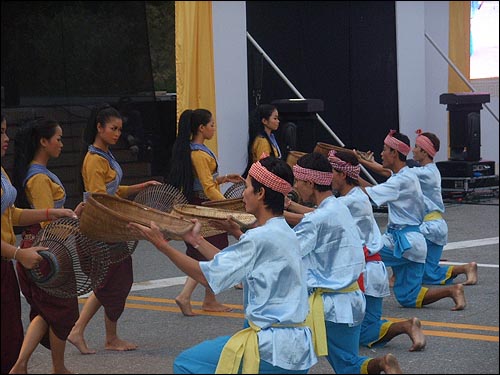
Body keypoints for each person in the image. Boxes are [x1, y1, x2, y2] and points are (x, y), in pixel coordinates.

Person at [128, 156, 318, 374]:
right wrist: (196, 240)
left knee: (187, 363)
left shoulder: (260, 237)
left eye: (246, 187)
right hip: (295, 347)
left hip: (270, 348)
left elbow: (205, 276)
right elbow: (227, 266)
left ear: (261, 193)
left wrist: (162, 245)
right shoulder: (284, 232)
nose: (243, 193)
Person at [289, 152, 402, 373]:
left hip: (331, 306)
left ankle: (382, 363)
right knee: (347, 362)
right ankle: (380, 363)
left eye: (297, 181)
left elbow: (287, 253)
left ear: (310, 183)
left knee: (289, 357)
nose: (296, 186)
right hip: (351, 298)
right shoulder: (339, 207)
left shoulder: (321, 216)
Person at [68, 104, 160, 354]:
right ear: (99, 128)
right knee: (115, 281)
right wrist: (128, 218)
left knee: (112, 281)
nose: (118, 133)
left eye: (120, 129)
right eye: (113, 128)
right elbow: (99, 200)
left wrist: (139, 187)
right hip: (102, 228)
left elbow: (113, 191)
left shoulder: (104, 155)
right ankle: (100, 335)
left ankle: (86, 331)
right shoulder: (94, 159)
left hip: (107, 225)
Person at [1, 114, 77, 374]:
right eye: (0, 133)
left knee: (17, 328)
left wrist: (52, 213)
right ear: (44, 142)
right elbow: (45, 230)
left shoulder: (2, 171)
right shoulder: (38, 178)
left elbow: (12, 214)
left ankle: (24, 365)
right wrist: (18, 253)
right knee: (54, 309)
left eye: (5, 131)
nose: (5, 138)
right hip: (34, 250)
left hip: (13, 259)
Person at [329, 149, 426, 352]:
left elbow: (318, 215)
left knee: (355, 331)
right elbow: (373, 186)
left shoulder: (352, 200)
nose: (328, 177)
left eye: (331, 172)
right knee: (408, 296)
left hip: (400, 243)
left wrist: (284, 206)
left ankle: (404, 326)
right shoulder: (401, 176)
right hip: (392, 252)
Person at [359, 130, 466, 311]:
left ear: (394, 152)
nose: (381, 153)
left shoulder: (414, 176)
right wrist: (356, 171)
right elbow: (378, 188)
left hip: (409, 238)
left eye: (385, 149)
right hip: (413, 241)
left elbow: (369, 192)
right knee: (410, 297)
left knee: (360, 255)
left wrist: (348, 172)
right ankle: (452, 290)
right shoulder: (406, 176)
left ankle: (360, 305)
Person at [166, 108, 243, 316]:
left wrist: (224, 179)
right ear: (201, 128)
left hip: (202, 203)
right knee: (212, 251)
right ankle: (198, 298)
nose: (214, 129)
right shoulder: (198, 153)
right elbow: (207, 188)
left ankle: (201, 297)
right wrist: (228, 207)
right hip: (205, 206)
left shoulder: (197, 150)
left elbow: (205, 182)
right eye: (212, 125)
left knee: (207, 251)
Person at [411, 130, 477, 285]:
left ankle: (396, 278)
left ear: (424, 151)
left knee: (400, 244)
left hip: (429, 228)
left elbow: (395, 172)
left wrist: (364, 162)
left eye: (416, 147)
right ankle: (466, 268)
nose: (413, 150)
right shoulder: (430, 170)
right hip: (436, 227)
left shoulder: (425, 172)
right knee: (429, 273)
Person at [243, 104, 282, 177]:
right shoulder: (262, 141)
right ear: (264, 121)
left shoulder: (269, 138)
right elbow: (264, 167)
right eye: (275, 118)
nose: (278, 121)